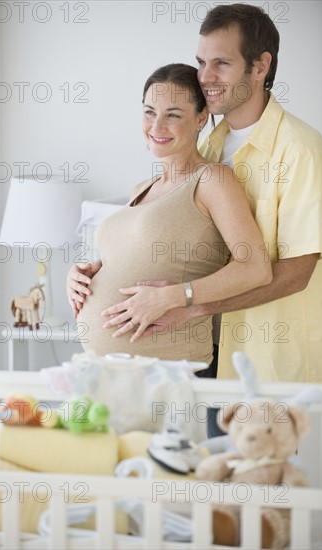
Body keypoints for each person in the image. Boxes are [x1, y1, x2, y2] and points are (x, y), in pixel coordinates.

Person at [105, 4, 322, 385]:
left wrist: (189, 303)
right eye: (201, 61)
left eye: (221, 64)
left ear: (260, 67)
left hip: (272, 362)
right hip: (210, 352)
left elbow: (295, 274)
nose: (205, 77)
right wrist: (100, 272)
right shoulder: (209, 145)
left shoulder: (300, 150)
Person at [66, 63, 272, 366]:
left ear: (201, 118)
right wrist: (80, 278)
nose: (157, 126)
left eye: (173, 115)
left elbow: (256, 268)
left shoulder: (212, 180)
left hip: (173, 373)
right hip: (107, 373)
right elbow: (135, 262)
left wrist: (174, 296)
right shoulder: (142, 188)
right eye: (150, 112)